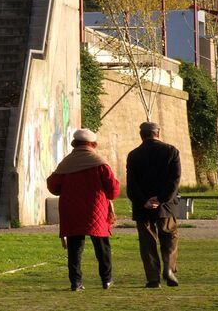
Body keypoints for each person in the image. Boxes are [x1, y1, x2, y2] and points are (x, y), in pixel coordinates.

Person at [47, 129, 120, 291]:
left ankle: (76, 282)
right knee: (102, 247)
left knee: (75, 248)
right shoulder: (100, 163)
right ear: (93, 144)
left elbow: (53, 185)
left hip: (71, 210)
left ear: (75, 144)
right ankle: (106, 279)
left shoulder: (66, 163)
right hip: (97, 210)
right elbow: (113, 190)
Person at [126, 122, 181, 288]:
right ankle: (169, 268)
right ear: (158, 133)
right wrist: (161, 198)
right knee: (170, 237)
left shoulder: (134, 155)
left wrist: (144, 200)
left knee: (147, 242)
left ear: (141, 135)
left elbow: (132, 184)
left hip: (143, 207)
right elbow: (174, 180)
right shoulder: (171, 151)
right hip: (166, 206)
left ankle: (153, 278)